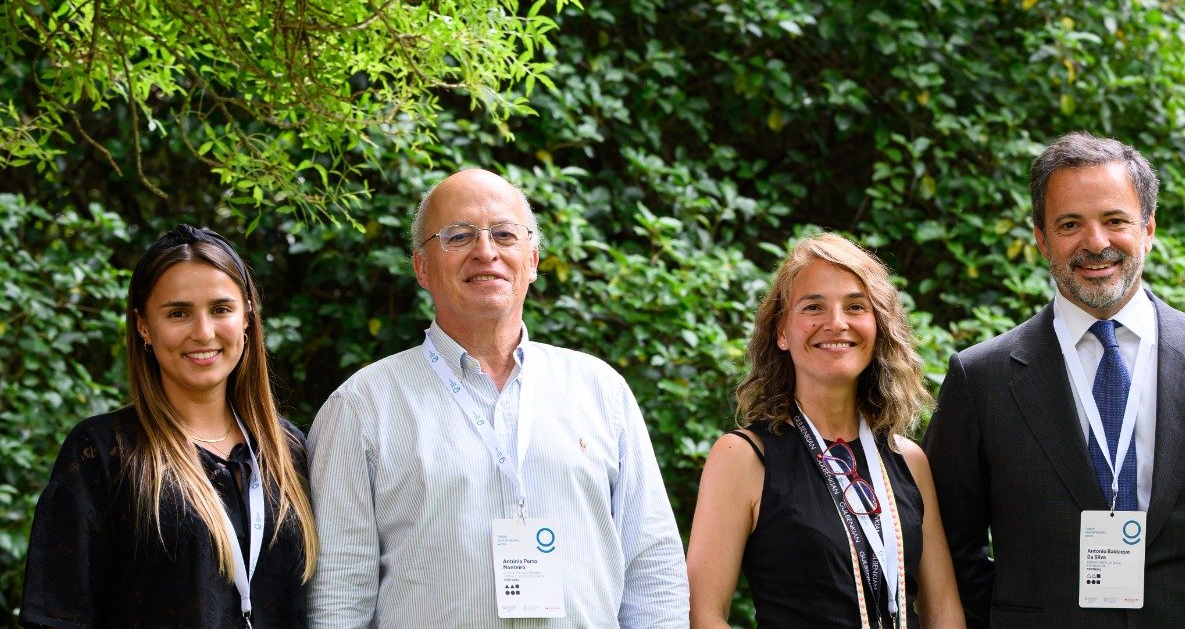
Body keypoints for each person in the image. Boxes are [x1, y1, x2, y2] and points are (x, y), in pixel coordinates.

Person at [922, 132, 1185, 627]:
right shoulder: (981, 378)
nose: (1095, 243)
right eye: (1070, 224)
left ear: (1148, 228)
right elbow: (947, 538)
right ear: (1040, 237)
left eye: (1115, 220)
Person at [307, 168, 687, 627]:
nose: (485, 252)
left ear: (532, 258)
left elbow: (652, 566)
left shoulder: (600, 390)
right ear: (422, 267)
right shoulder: (361, 409)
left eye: (504, 234)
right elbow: (338, 594)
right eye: (458, 236)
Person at [20, 224, 317, 628]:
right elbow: (56, 617)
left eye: (220, 309)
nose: (203, 332)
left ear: (247, 317)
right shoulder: (106, 453)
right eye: (178, 313)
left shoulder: (289, 450)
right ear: (144, 325)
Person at [686, 232, 965, 628]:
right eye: (813, 307)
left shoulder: (909, 459)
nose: (836, 323)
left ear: (878, 326)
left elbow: (943, 612)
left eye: (855, 306)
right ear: (781, 332)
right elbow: (702, 614)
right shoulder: (743, 458)